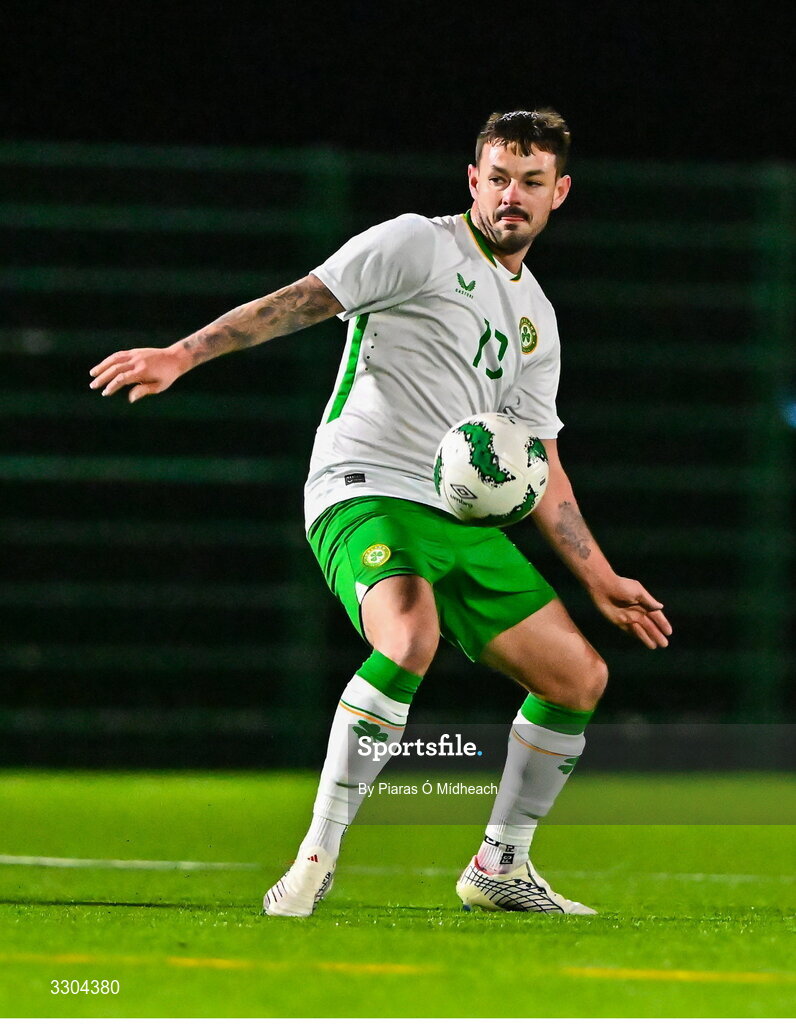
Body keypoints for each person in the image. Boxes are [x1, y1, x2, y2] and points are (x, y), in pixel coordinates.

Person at [89, 109, 672, 917]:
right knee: (409, 633)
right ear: (474, 180)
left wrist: (599, 575)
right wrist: (181, 355)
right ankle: (314, 861)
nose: (512, 196)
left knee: (578, 678)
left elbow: (542, 462)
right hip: (364, 483)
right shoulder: (415, 243)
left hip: (460, 516)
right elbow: (301, 301)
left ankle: (500, 865)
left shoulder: (537, 316)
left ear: (559, 193)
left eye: (531, 182)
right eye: (498, 178)